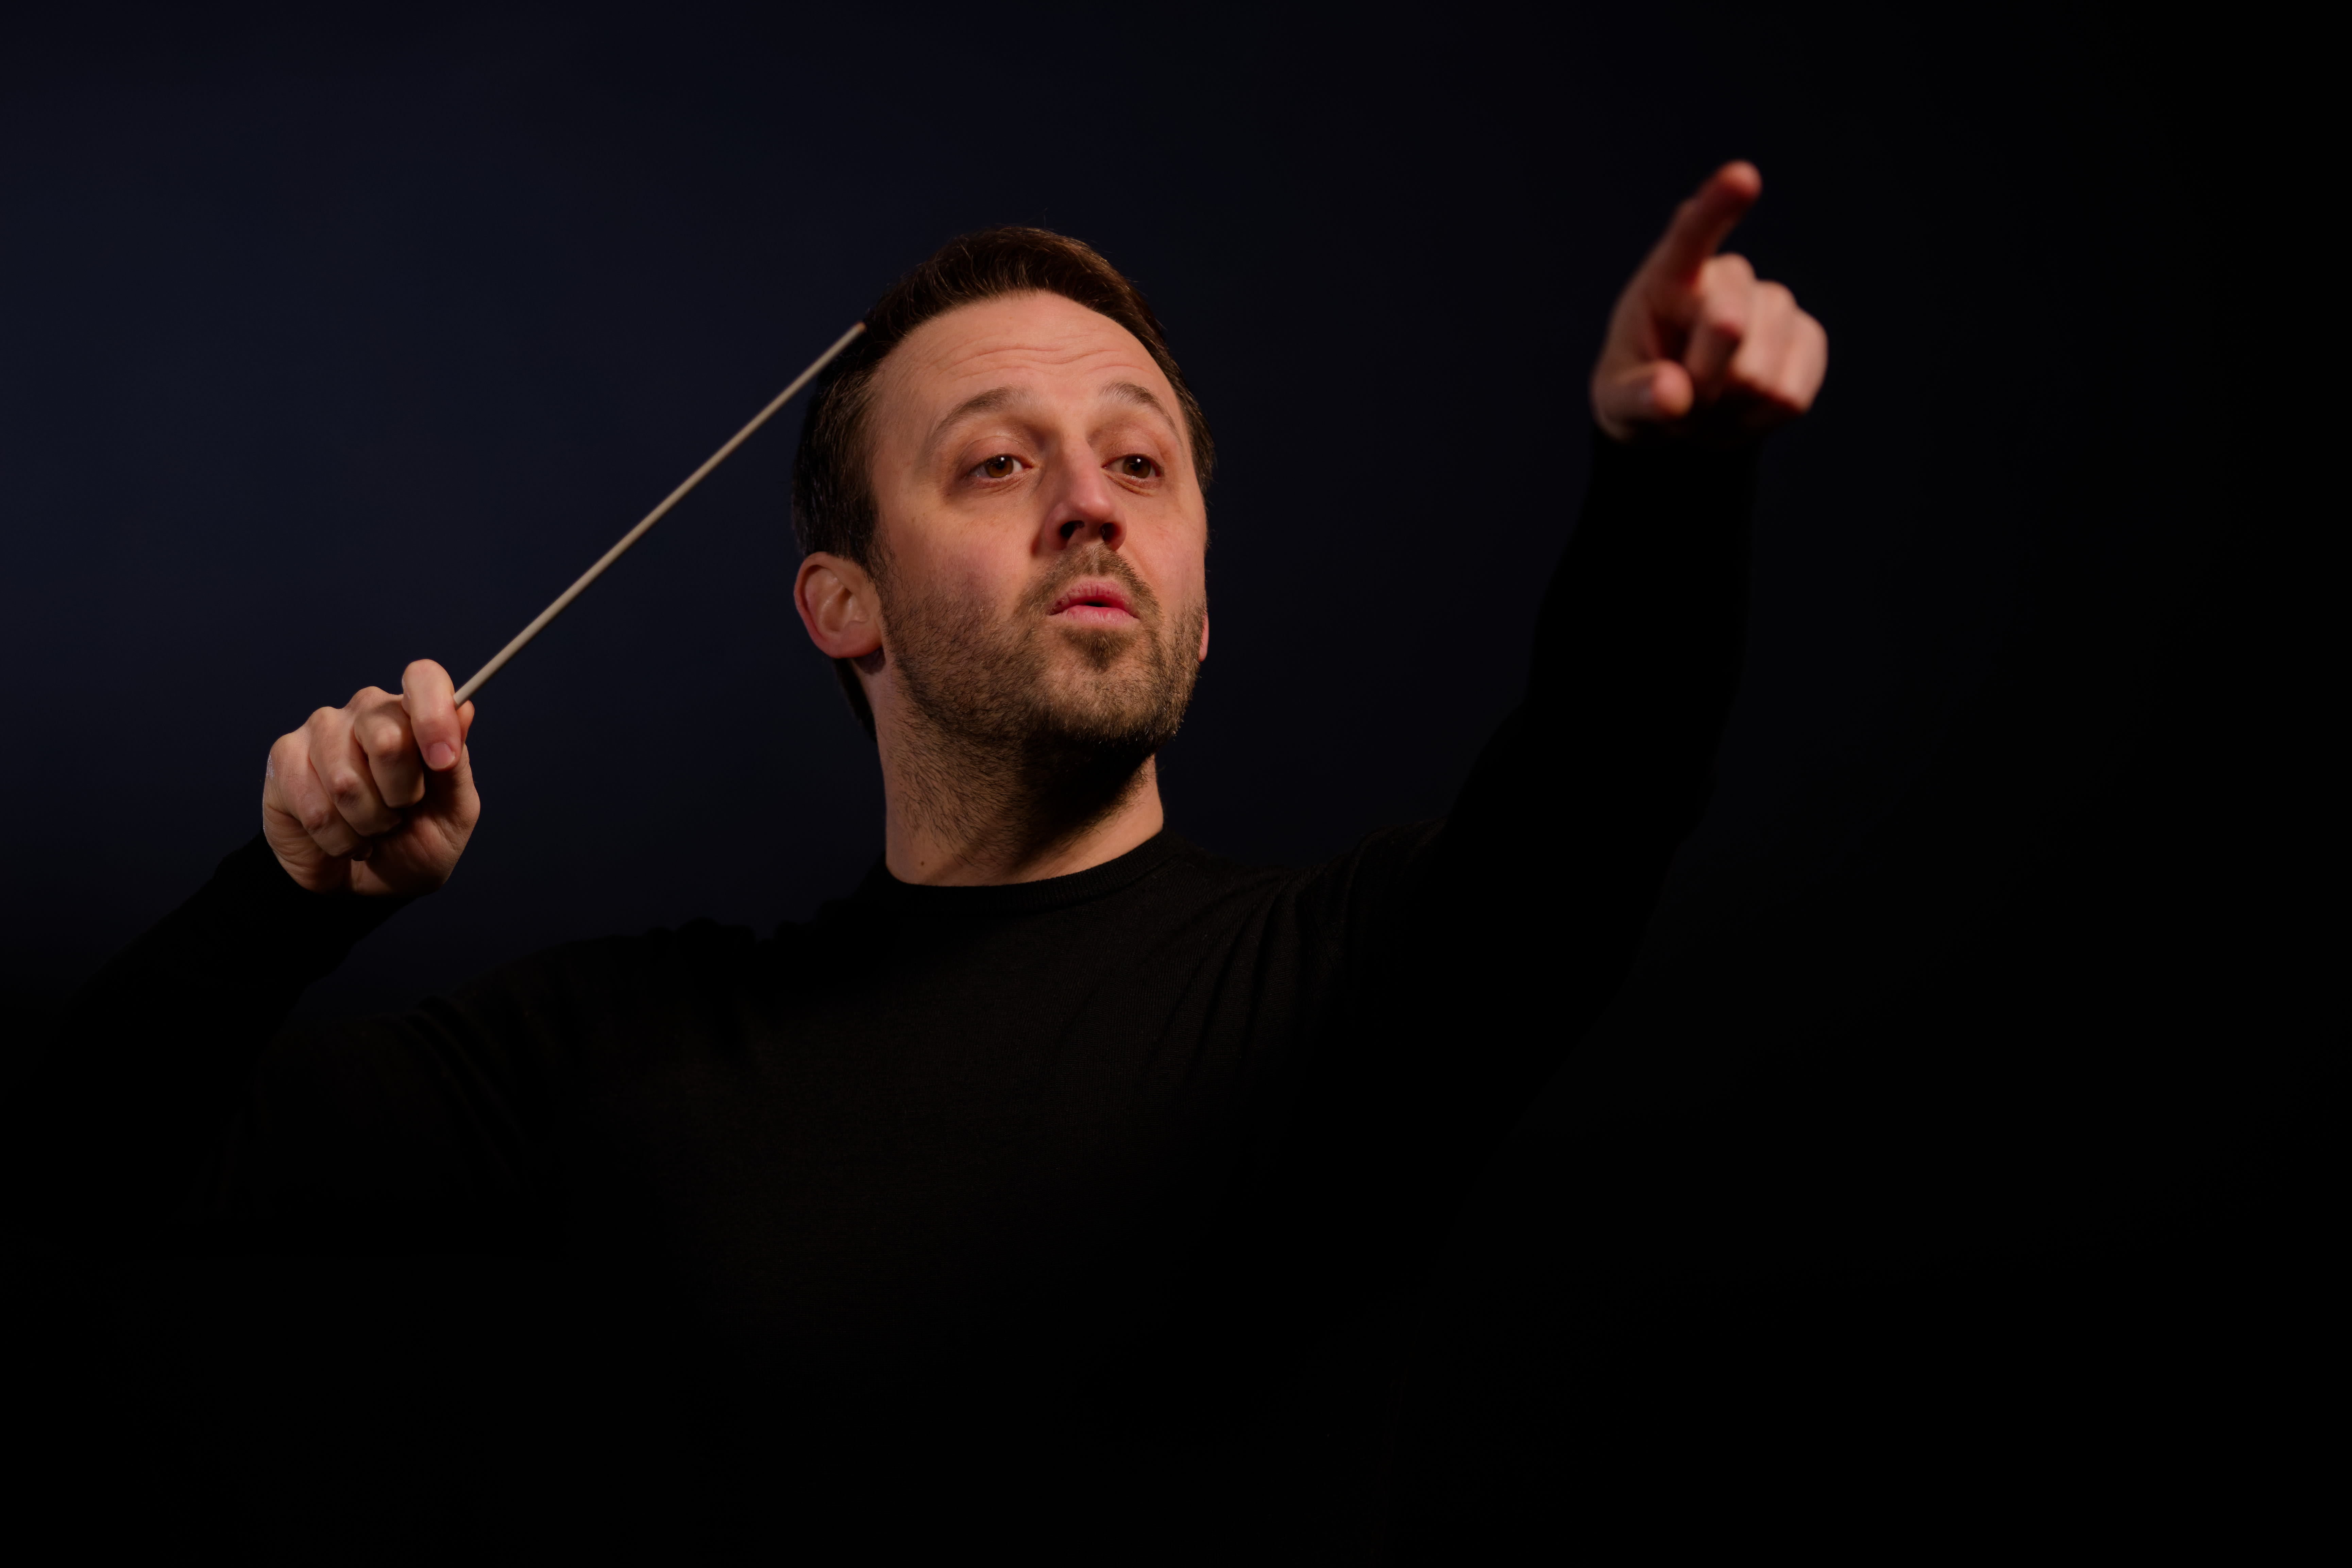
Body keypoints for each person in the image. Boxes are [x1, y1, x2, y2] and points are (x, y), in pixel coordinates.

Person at [32, 162, 1824, 1556]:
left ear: (1200, 619)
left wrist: (1665, 481)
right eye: (992, 462)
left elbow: (1604, 787)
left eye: (1138, 457)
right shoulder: (622, 1046)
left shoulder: (1353, 976)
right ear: (844, 604)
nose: (1090, 497)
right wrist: (285, 896)